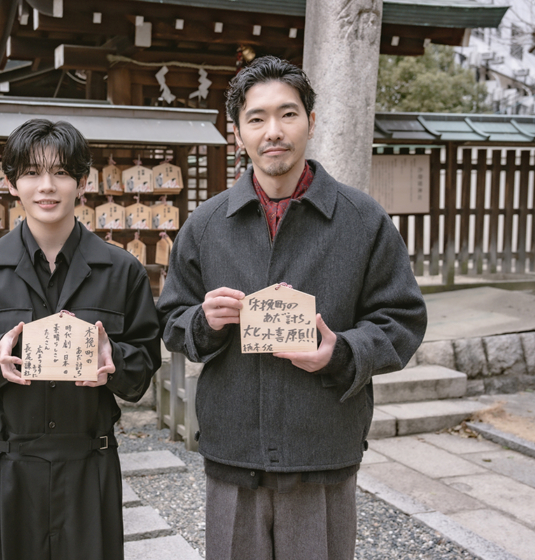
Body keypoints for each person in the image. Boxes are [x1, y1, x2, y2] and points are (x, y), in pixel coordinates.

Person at [157, 56, 427, 560]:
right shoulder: (207, 224)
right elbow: (171, 320)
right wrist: (204, 321)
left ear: (311, 122)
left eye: (288, 114)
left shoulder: (362, 219)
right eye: (256, 118)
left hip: (322, 446)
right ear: (237, 133)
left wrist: (341, 352)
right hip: (233, 449)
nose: (273, 131)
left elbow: (402, 319)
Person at [0, 119, 161, 560]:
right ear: (12, 183)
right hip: (6, 467)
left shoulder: (122, 269)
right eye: (32, 172)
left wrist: (115, 362)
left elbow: (145, 366)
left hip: (88, 465)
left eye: (61, 173)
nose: (46, 186)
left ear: (82, 182)